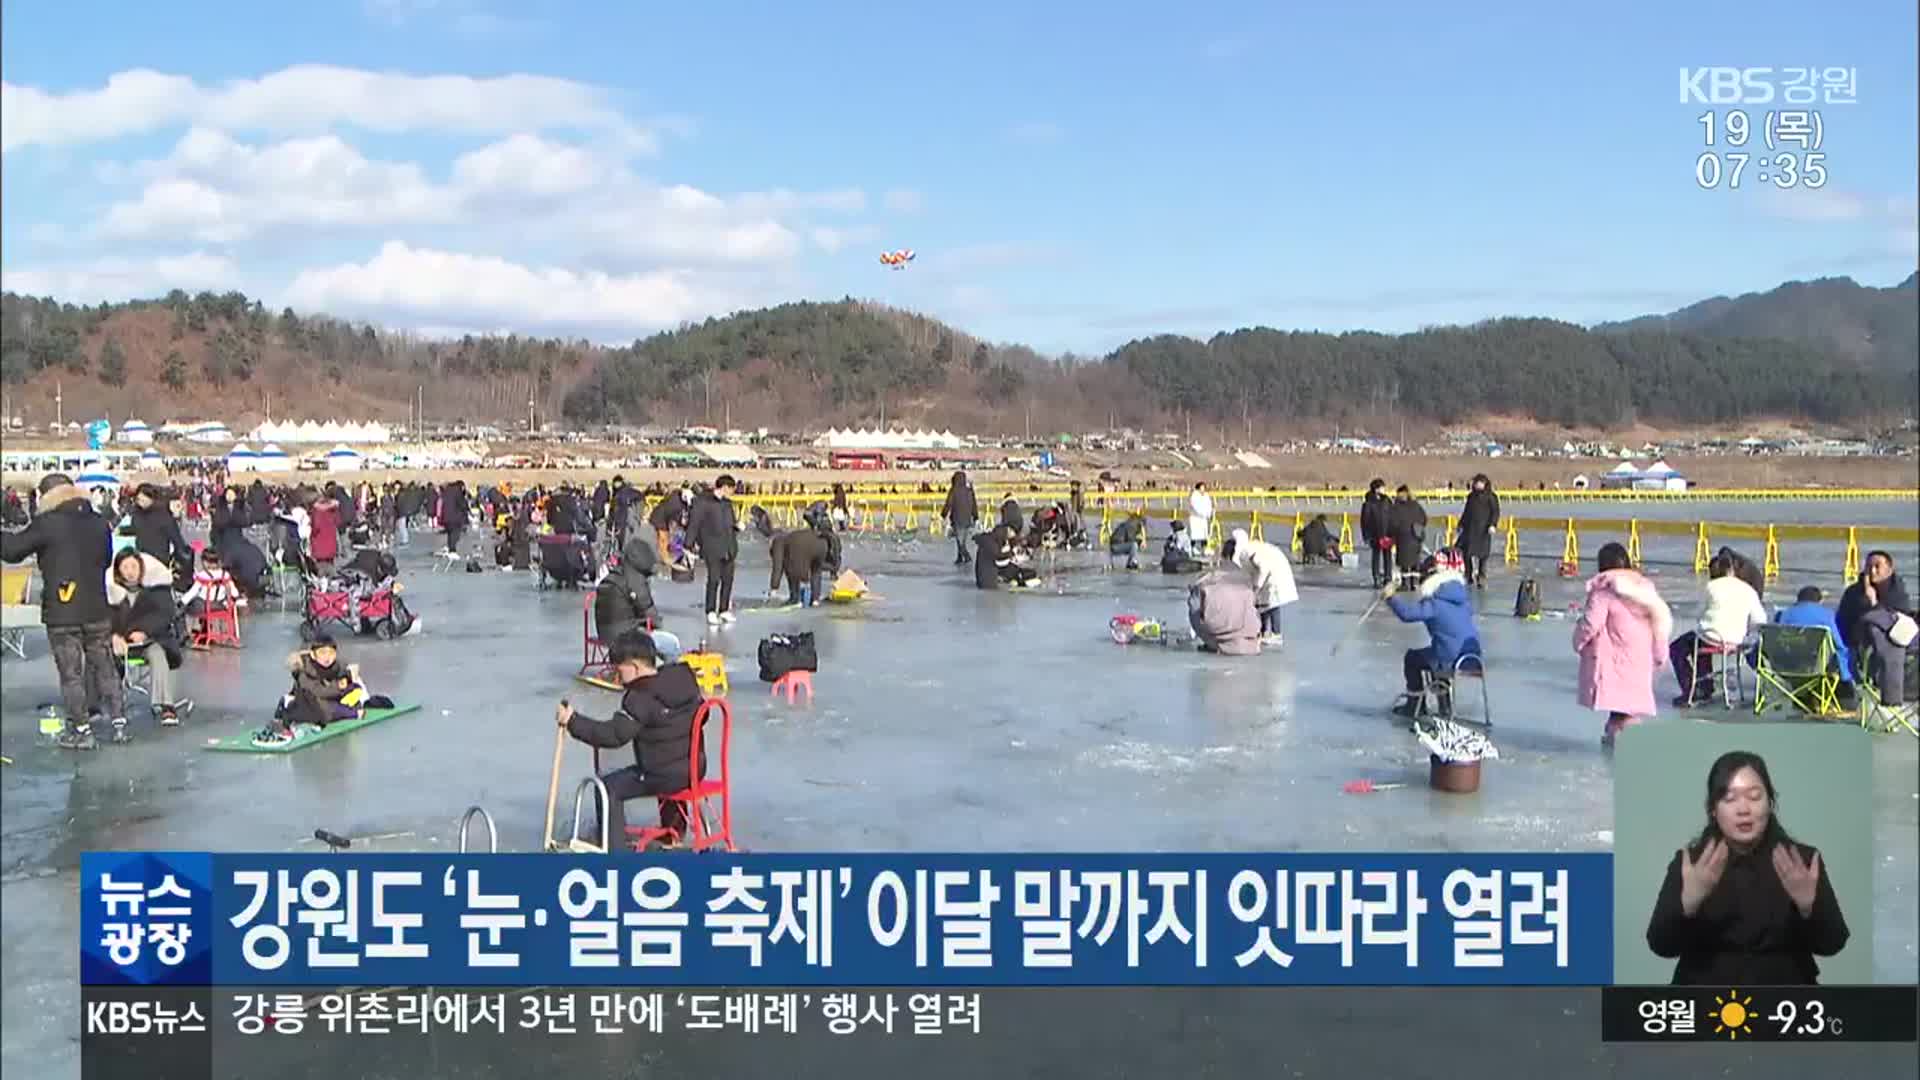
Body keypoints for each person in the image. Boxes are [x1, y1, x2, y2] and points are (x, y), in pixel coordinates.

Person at [1646, 750, 1848, 984]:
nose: (1743, 809)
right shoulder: (1689, 864)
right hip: (1706, 1002)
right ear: (1713, 809)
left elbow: (1833, 944)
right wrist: (1687, 905)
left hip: (1786, 1005)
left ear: (1770, 803)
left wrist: (1809, 908)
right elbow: (1661, 946)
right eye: (1729, 799)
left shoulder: (1803, 861)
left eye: (1754, 797)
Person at [2, 474, 123, 748]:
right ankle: (119, 723)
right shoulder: (98, 522)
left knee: (71, 674)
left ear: (47, 496)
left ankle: (81, 730)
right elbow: (105, 560)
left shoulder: (48, 523)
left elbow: (13, 551)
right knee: (105, 667)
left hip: (62, 610)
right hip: (96, 607)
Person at [555, 631, 708, 845]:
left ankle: (615, 851)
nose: (616, 678)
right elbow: (704, 715)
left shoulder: (640, 696)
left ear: (635, 667)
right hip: (694, 769)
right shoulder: (684, 679)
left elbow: (614, 735)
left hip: (663, 775)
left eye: (619, 671)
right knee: (670, 760)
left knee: (608, 788)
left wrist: (573, 720)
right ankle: (673, 833)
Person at [1573, 542, 1673, 744]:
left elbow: (1591, 623)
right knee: (1627, 705)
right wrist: (1660, 653)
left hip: (1615, 659)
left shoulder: (1604, 590)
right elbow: (1659, 619)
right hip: (1641, 656)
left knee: (1620, 706)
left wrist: (1578, 641)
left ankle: (1621, 741)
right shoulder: (1644, 588)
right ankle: (1620, 737)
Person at [1387, 549, 1481, 718]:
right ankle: (1445, 707)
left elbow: (1407, 614)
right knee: (1435, 656)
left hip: (1449, 658)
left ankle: (1415, 704)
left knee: (1413, 658)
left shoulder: (1435, 604)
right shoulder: (1462, 600)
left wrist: (1390, 598)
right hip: (1472, 657)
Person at [108, 548, 192, 727]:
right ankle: (107, 705)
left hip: (149, 640)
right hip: (119, 644)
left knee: (157, 653)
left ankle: (165, 705)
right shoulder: (111, 594)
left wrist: (144, 631)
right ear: (118, 570)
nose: (130, 572)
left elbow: (164, 615)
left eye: (134, 566)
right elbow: (103, 619)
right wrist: (114, 636)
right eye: (125, 567)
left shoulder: (154, 592)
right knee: (101, 656)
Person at [1670, 555, 1768, 707]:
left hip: (1711, 636)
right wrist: (1745, 630)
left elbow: (1698, 613)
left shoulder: (1710, 587)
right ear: (1731, 570)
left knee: (1678, 647)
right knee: (1700, 640)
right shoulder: (1748, 589)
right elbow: (1760, 620)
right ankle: (1705, 687)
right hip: (1736, 641)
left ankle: (1694, 689)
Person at [256, 634, 375, 747]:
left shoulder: (337, 666)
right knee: (321, 707)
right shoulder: (305, 671)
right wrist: (339, 687)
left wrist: (350, 680)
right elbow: (318, 691)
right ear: (313, 655)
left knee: (354, 691)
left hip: (330, 698)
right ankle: (350, 712)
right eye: (322, 653)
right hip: (308, 700)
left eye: (331, 653)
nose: (327, 657)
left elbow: (345, 681)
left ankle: (349, 709)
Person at [1835, 550, 1915, 716]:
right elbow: (1843, 621)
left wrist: (1873, 603)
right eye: (1869, 567)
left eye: (1877, 567)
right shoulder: (1853, 593)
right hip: (1858, 646)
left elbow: (1900, 623)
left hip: (1893, 646)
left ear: (1889, 570)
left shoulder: (1897, 592)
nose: (1872, 571)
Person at [1775, 586, 1854, 692]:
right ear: (1820, 601)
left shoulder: (1784, 615)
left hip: (1788, 666)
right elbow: (1838, 646)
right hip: (1818, 667)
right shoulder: (1827, 615)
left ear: (1798, 601)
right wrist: (1846, 675)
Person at [1226, 527, 1297, 646]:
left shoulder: (1249, 551)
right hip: (1268, 574)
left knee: (1273, 603)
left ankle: (1276, 634)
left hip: (1275, 573)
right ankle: (1263, 632)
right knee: (1262, 603)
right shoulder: (1247, 550)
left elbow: (1263, 568)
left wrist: (1257, 586)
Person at [687, 475, 741, 625]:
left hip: (729, 546)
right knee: (714, 579)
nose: (732, 492)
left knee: (728, 579)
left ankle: (724, 610)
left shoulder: (727, 504)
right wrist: (688, 545)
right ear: (724, 487)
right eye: (731, 489)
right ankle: (710, 611)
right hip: (712, 546)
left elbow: (730, 523)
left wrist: (736, 527)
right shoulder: (704, 502)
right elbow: (694, 524)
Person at [595, 537, 660, 642]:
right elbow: (649, 612)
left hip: (604, 635)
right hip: (626, 637)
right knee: (671, 644)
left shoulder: (614, 575)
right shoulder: (636, 580)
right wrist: (657, 624)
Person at [1187, 570, 1261, 655]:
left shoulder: (1201, 587)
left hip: (1218, 638)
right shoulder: (1241, 582)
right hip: (1249, 637)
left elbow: (1194, 615)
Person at [127, 484, 193, 579]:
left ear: (152, 498)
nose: (140, 503)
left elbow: (175, 537)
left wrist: (183, 552)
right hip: (141, 557)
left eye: (143, 499)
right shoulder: (137, 513)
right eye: (138, 500)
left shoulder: (163, 515)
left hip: (159, 559)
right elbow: (135, 529)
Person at [1455, 474, 1500, 588]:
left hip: (1484, 530)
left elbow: (1495, 512)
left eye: (1479, 482)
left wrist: (1493, 525)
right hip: (1470, 529)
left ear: (1485, 483)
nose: (1477, 484)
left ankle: (1481, 577)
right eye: (1476, 482)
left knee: (1483, 556)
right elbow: (1466, 512)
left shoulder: (1491, 497)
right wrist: (1461, 524)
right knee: (1466, 553)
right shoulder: (1471, 497)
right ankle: (1468, 575)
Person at [1386, 485, 1428, 585]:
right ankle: (1414, 583)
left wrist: (1391, 533)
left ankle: (1405, 583)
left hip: (1403, 537)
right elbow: (1424, 519)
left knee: (1404, 562)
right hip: (1415, 536)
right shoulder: (1416, 505)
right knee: (1414, 561)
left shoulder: (1396, 507)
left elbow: (1391, 522)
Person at [973, 524, 1035, 589]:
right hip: (987, 578)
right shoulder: (991, 542)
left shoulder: (993, 540)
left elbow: (999, 557)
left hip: (989, 574)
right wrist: (1012, 554)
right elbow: (998, 556)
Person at [940, 470, 978, 566]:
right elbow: (974, 504)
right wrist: (975, 516)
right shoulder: (969, 491)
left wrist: (943, 514)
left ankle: (967, 557)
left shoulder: (954, 490)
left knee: (960, 541)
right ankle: (960, 558)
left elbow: (949, 503)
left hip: (957, 518)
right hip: (967, 518)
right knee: (961, 539)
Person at [1360, 479, 1393, 587]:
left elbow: (1392, 516)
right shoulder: (1368, 503)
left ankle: (1388, 577)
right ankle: (1376, 577)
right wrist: (1366, 536)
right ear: (1376, 489)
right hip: (1375, 534)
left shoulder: (1387, 501)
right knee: (1376, 556)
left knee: (1387, 556)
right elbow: (1365, 521)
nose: (1384, 489)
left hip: (1387, 533)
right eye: (1382, 487)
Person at [1186, 482, 1214, 556]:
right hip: (1195, 518)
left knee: (1204, 534)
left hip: (1204, 518)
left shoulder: (1206, 496)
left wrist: (1209, 513)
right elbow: (1195, 507)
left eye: (1204, 488)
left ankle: (1204, 548)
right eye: (1201, 488)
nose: (1203, 490)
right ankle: (1192, 547)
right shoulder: (1194, 496)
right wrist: (1202, 513)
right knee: (1194, 534)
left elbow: (1209, 505)